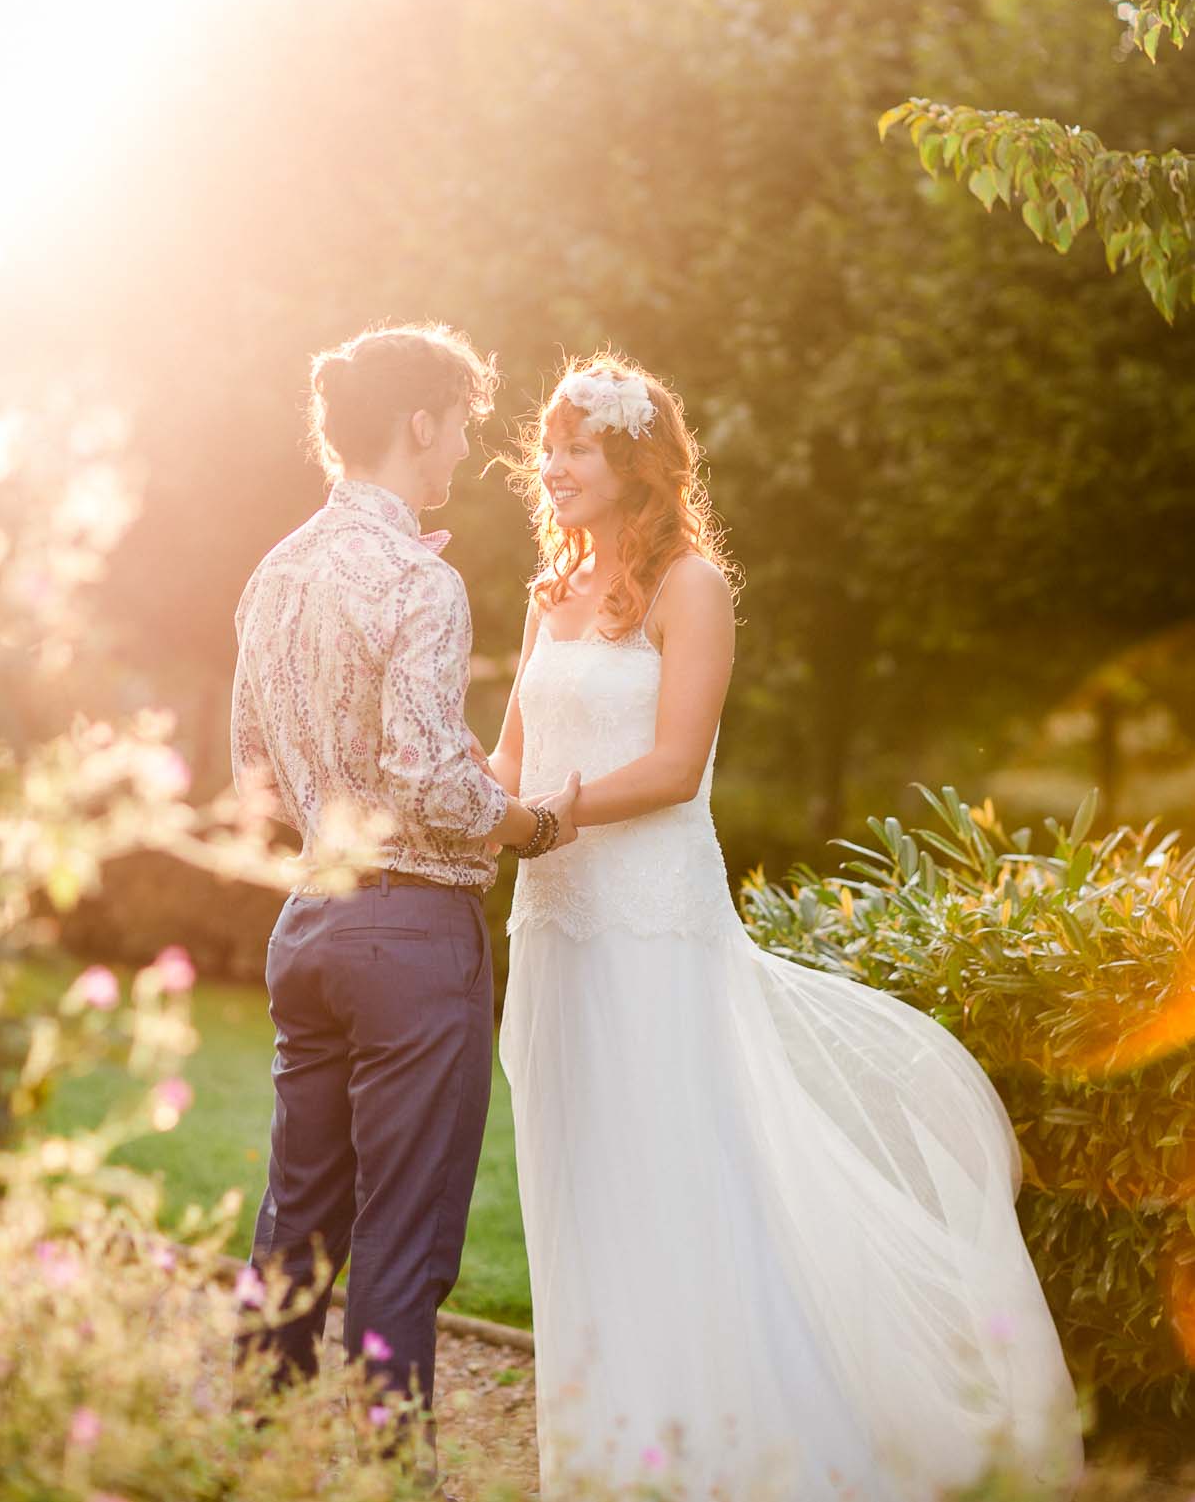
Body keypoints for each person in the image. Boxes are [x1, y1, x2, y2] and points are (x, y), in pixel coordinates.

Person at [493, 355, 1084, 1502]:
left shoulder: (689, 587)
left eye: (577, 446)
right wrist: (439, 791)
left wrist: (542, 816)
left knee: (670, 1172)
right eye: (548, 446)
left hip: (650, 929)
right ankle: (605, 1451)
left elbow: (670, 767)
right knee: (575, 1176)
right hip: (556, 922)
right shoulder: (544, 588)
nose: (553, 465)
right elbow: (507, 760)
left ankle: (727, 1448)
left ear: (632, 460)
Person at [230, 321, 579, 1477]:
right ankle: (387, 1467)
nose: (464, 451)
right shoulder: (419, 581)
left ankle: (261, 1447)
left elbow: (254, 772)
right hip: (413, 934)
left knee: (298, 1214)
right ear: (419, 420)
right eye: (463, 427)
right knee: (406, 1231)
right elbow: (433, 775)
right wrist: (528, 822)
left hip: (309, 923)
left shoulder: (273, 570)